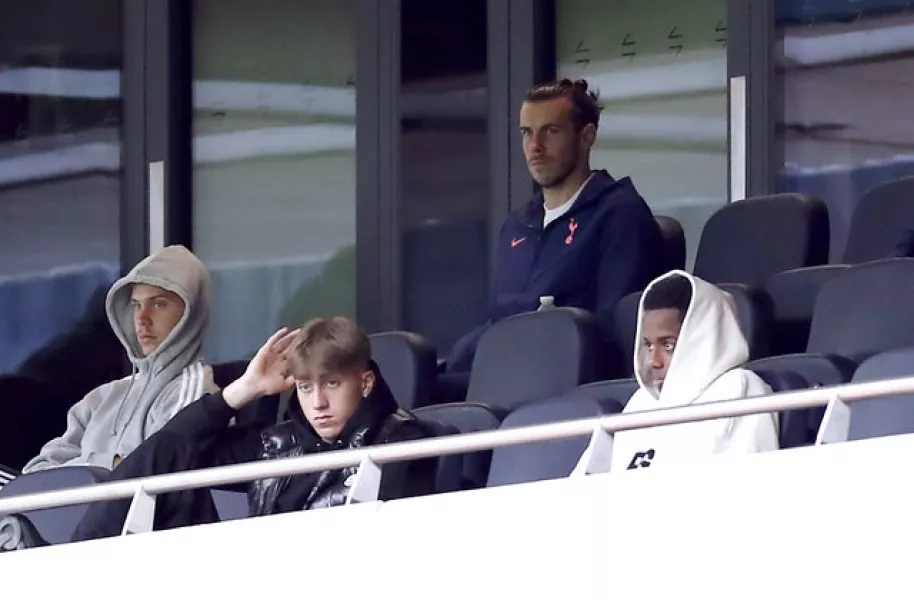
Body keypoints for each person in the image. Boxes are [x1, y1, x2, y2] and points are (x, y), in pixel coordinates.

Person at [0, 317, 437, 550]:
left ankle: (59, 567)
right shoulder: (276, 445)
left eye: (332, 384)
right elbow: (163, 454)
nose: (318, 402)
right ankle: (68, 565)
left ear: (364, 383)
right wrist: (240, 393)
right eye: (306, 387)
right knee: (165, 482)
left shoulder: (403, 441)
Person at [445, 78, 664, 373]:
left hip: (569, 382)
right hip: (502, 378)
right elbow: (497, 322)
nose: (535, 147)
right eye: (527, 133)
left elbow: (617, 330)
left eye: (551, 131)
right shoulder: (517, 225)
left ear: (586, 137)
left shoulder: (620, 213)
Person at [20, 244, 217, 473]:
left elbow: (151, 469)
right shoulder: (102, 397)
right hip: (76, 509)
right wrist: (109, 464)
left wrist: (81, 467)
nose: (142, 319)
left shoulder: (195, 391)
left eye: (158, 304)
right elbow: (35, 473)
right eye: (136, 305)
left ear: (190, 313)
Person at [610, 271, 779, 472]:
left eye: (668, 346)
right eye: (648, 346)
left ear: (702, 339)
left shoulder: (739, 389)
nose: (653, 361)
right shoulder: (639, 403)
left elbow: (752, 482)